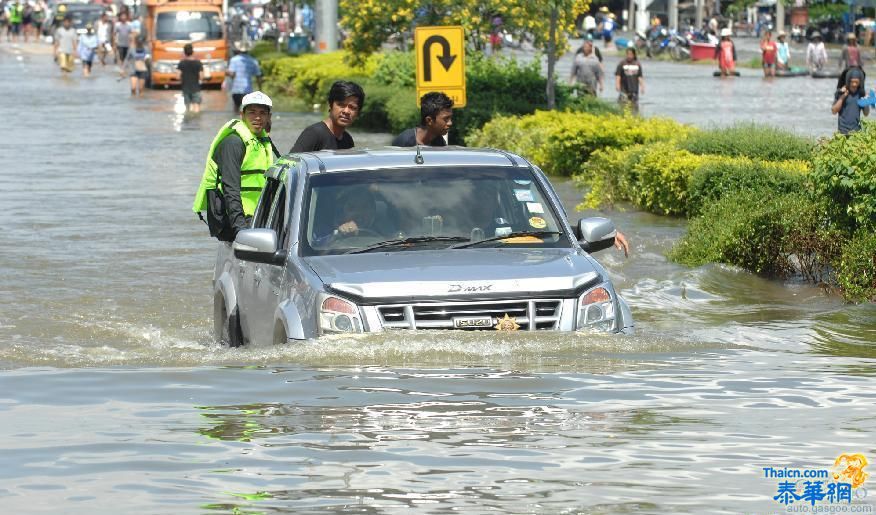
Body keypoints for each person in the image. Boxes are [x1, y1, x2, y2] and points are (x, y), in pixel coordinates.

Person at [192, 91, 277, 240]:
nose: (257, 117)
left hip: (256, 213)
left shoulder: (261, 140)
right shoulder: (234, 143)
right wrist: (241, 231)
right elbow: (230, 189)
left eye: (262, 113)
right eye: (252, 112)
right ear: (242, 115)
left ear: (269, 117)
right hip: (234, 220)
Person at [290, 80, 364, 152]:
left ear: (358, 112)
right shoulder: (314, 134)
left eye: (352, 107)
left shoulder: (347, 140)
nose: (346, 111)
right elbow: (287, 163)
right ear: (330, 105)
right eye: (341, 105)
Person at [832, 67, 869, 135]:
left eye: (856, 82)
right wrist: (842, 97)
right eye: (852, 82)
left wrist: (866, 100)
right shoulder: (840, 92)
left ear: (860, 82)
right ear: (848, 81)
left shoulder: (861, 94)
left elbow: (866, 114)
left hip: (856, 132)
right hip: (842, 132)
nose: (854, 84)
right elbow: (834, 111)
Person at [227, 42, 262, 112]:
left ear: (239, 49)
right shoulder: (253, 61)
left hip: (236, 89)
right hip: (248, 90)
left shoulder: (234, 60)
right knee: (247, 112)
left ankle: (236, 122)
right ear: (248, 50)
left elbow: (232, 75)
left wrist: (226, 73)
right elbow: (258, 76)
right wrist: (260, 89)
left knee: (236, 110)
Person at [615, 46, 644, 114]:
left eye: (631, 54)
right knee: (623, 106)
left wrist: (642, 86)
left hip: (634, 90)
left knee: (634, 107)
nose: (629, 56)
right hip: (624, 89)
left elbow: (640, 76)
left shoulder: (637, 64)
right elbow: (618, 75)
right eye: (628, 54)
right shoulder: (622, 63)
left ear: (634, 55)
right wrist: (617, 84)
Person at [177, 43, 204, 113]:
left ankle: (188, 122)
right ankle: (196, 122)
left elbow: (177, 76)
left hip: (185, 89)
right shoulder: (198, 63)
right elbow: (201, 77)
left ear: (184, 52)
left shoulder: (181, 63)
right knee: (196, 107)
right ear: (193, 52)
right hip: (196, 88)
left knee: (187, 109)